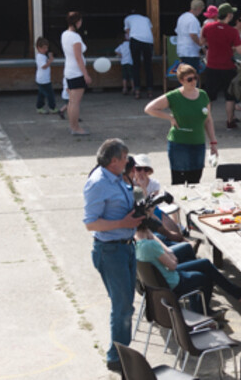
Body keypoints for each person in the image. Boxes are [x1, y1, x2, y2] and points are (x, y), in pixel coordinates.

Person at [84, 139, 143, 370]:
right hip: (110, 251)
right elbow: (91, 224)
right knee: (122, 307)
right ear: (114, 160)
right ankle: (117, 358)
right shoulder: (98, 183)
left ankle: (121, 352)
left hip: (125, 246)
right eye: (125, 158)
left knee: (126, 305)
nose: (129, 162)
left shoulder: (118, 178)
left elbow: (127, 203)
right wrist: (123, 222)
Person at [134, 222, 241, 313]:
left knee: (203, 264)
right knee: (205, 277)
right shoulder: (151, 245)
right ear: (147, 227)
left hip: (160, 282)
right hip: (172, 282)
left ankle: (235, 294)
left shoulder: (134, 245)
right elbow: (173, 264)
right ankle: (201, 312)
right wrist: (169, 254)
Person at [144, 64, 219, 185]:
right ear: (181, 81)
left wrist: (213, 143)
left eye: (195, 78)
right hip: (179, 145)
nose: (193, 81)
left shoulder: (203, 95)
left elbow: (208, 120)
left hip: (198, 144)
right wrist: (170, 118)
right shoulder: (174, 96)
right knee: (178, 181)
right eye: (189, 79)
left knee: (195, 181)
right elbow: (149, 108)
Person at [201, 3, 241, 129]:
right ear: (229, 16)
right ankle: (230, 121)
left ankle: (206, 121)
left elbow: (201, 41)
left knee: (209, 96)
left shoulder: (208, 27)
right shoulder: (232, 31)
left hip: (212, 66)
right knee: (229, 96)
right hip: (228, 67)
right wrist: (231, 48)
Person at [63, 11, 90, 135]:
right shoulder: (75, 37)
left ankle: (72, 126)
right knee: (75, 102)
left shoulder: (64, 34)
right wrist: (86, 74)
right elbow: (78, 57)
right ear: (77, 22)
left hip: (69, 70)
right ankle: (75, 127)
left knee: (71, 101)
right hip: (76, 72)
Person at [124, 11, 155, 98]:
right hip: (148, 40)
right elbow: (150, 29)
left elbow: (128, 31)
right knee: (148, 65)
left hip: (135, 40)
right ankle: (150, 91)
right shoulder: (146, 19)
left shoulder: (127, 18)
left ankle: (137, 90)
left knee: (136, 65)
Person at [176, 0, 205, 70]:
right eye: (201, 10)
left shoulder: (182, 17)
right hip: (191, 52)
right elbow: (193, 35)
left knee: (185, 75)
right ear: (199, 8)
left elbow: (177, 31)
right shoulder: (193, 20)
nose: (201, 12)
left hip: (181, 51)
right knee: (192, 76)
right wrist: (200, 44)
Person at [35, 37, 56, 114]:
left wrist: (50, 58)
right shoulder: (40, 57)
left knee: (41, 94)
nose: (45, 50)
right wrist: (50, 61)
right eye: (43, 48)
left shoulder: (43, 56)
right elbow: (44, 66)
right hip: (43, 80)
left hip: (44, 79)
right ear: (38, 48)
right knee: (50, 94)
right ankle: (52, 107)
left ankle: (39, 107)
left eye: (46, 48)